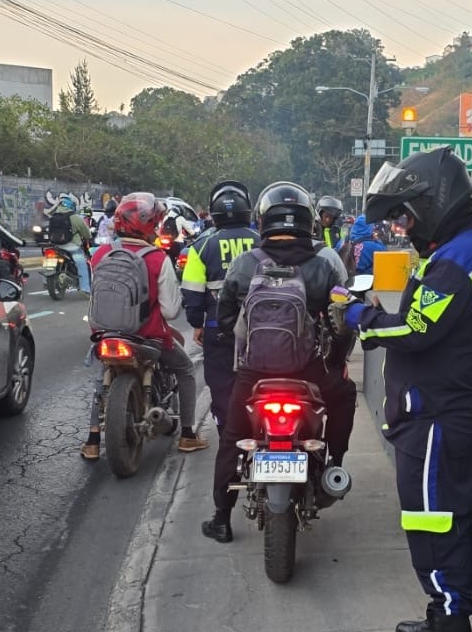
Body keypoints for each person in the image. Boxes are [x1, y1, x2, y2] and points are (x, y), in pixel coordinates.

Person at [346, 146, 472, 632]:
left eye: (406, 215)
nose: (401, 226)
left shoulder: (459, 259)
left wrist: (356, 314)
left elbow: (414, 330)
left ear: (434, 203)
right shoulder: (455, 250)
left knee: (433, 533)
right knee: (449, 527)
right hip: (442, 413)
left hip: (438, 419)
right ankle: (449, 626)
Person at [203, 182, 353, 544]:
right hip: (307, 370)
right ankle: (334, 466)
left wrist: (240, 342)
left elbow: (225, 319)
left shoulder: (245, 263)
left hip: (254, 373)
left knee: (233, 437)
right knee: (345, 395)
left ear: (263, 219)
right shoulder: (325, 261)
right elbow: (344, 319)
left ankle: (222, 518)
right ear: (308, 220)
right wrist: (336, 361)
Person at [81, 193, 208, 460]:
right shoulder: (158, 259)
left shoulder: (101, 253)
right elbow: (172, 311)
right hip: (148, 339)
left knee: (101, 376)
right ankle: (187, 434)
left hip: (105, 334)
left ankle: (92, 441)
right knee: (185, 370)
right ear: (148, 226)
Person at [181, 181, 260, 432]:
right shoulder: (261, 241)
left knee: (222, 386)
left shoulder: (201, 246)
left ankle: (229, 436)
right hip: (262, 326)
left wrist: (196, 324)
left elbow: (192, 292)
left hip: (218, 328)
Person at [49, 193, 95, 294]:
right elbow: (87, 234)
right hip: (72, 246)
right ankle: (85, 289)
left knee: (48, 265)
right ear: (71, 205)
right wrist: (89, 237)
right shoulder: (75, 217)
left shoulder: (53, 216)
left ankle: (46, 282)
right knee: (82, 264)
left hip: (56, 245)